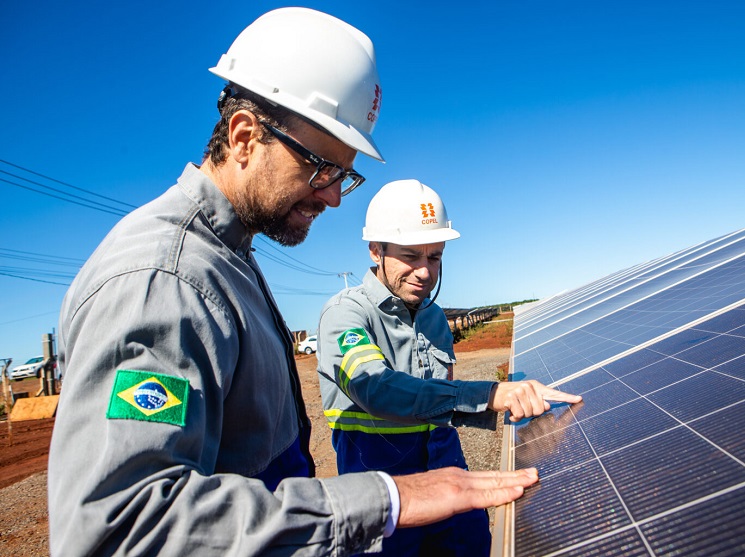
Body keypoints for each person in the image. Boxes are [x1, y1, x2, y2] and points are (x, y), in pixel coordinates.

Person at [47, 8, 546, 556]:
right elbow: (121, 527)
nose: (333, 196)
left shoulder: (229, 260)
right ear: (244, 137)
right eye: (321, 166)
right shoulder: (163, 279)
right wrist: (385, 499)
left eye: (343, 176)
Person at [316, 179, 583, 556]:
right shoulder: (345, 315)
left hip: (449, 470)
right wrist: (487, 394)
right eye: (411, 255)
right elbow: (377, 389)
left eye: (435, 257)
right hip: (385, 491)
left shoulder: (435, 317)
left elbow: (443, 397)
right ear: (376, 249)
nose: (425, 272)